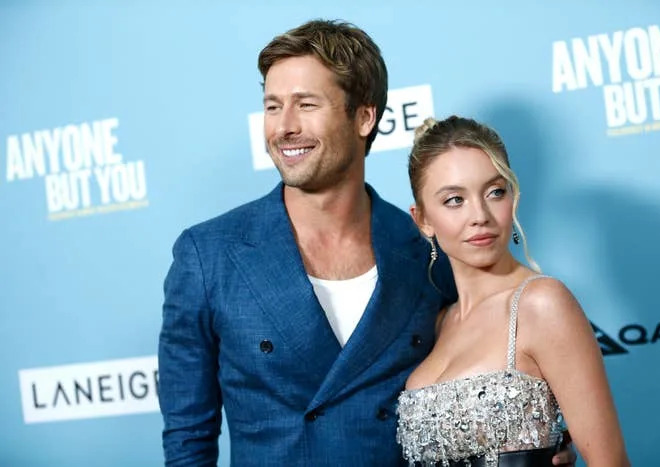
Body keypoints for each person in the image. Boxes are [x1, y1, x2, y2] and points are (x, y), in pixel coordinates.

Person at [158, 20, 577, 466]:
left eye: (306, 104)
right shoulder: (208, 255)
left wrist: (536, 440)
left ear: (364, 116)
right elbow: (188, 441)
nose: (284, 127)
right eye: (273, 106)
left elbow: (487, 366)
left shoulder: (425, 250)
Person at [396, 116, 629, 466]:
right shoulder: (439, 321)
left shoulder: (542, 304)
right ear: (422, 220)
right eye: (455, 200)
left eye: (495, 192)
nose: (480, 215)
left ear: (513, 198)